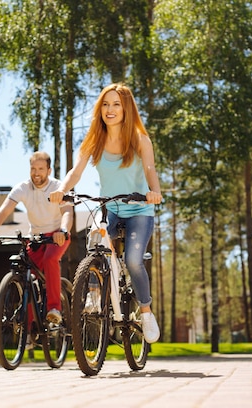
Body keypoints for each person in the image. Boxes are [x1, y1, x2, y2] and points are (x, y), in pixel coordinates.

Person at [49, 83, 162, 343]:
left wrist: (154, 192)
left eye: (116, 104)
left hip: (138, 210)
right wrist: (63, 190)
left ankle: (145, 311)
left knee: (133, 260)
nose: (110, 110)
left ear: (126, 108)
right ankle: (94, 296)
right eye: (105, 104)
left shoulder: (139, 139)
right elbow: (75, 171)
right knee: (95, 245)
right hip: (110, 208)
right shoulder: (94, 140)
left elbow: (150, 169)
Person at [0, 151, 72, 325]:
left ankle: (54, 308)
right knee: (27, 275)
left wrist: (63, 229)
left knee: (50, 259)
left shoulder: (58, 187)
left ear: (49, 170)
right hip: (36, 237)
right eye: (33, 168)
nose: (36, 173)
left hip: (57, 235)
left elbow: (67, 212)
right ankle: (30, 329)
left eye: (40, 168)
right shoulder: (23, 188)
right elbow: (4, 211)